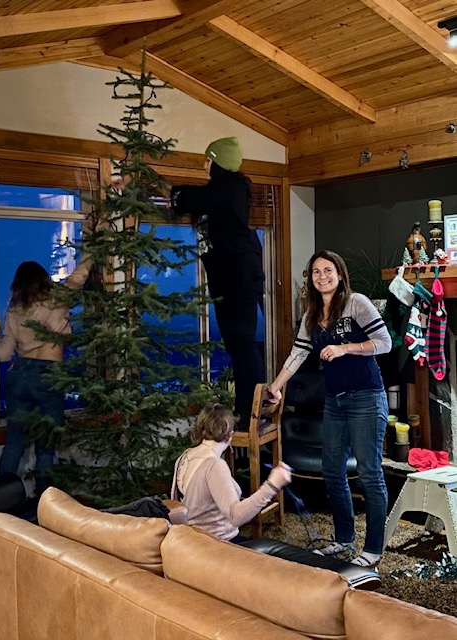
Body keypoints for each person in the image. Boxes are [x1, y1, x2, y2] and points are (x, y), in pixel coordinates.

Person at [268, 250, 391, 568]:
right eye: (316, 271)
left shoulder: (356, 304)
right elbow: (297, 355)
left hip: (366, 398)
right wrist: (276, 386)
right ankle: (344, 540)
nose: (322, 276)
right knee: (332, 472)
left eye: (328, 270)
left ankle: (374, 550)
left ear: (339, 274)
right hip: (335, 401)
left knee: (369, 474)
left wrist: (345, 347)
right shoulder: (311, 314)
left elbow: (385, 342)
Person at [170, 137, 265, 429]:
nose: (204, 165)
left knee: (243, 342)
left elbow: (193, 199)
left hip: (238, 275)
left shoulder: (230, 187)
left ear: (219, 162)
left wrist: (174, 192)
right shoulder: (224, 191)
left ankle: (251, 409)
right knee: (238, 344)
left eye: (208, 160)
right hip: (229, 277)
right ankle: (247, 406)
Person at [0, 255, 91, 496]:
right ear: (43, 280)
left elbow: (3, 355)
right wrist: (95, 249)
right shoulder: (56, 300)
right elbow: (80, 276)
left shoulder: (14, 311)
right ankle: (44, 504)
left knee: (14, 443)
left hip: (19, 375)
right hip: (48, 375)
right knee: (46, 447)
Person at [171, 402, 291, 542]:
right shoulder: (215, 466)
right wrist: (272, 485)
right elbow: (236, 516)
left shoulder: (184, 457)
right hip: (218, 545)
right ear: (230, 434)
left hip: (193, 542)